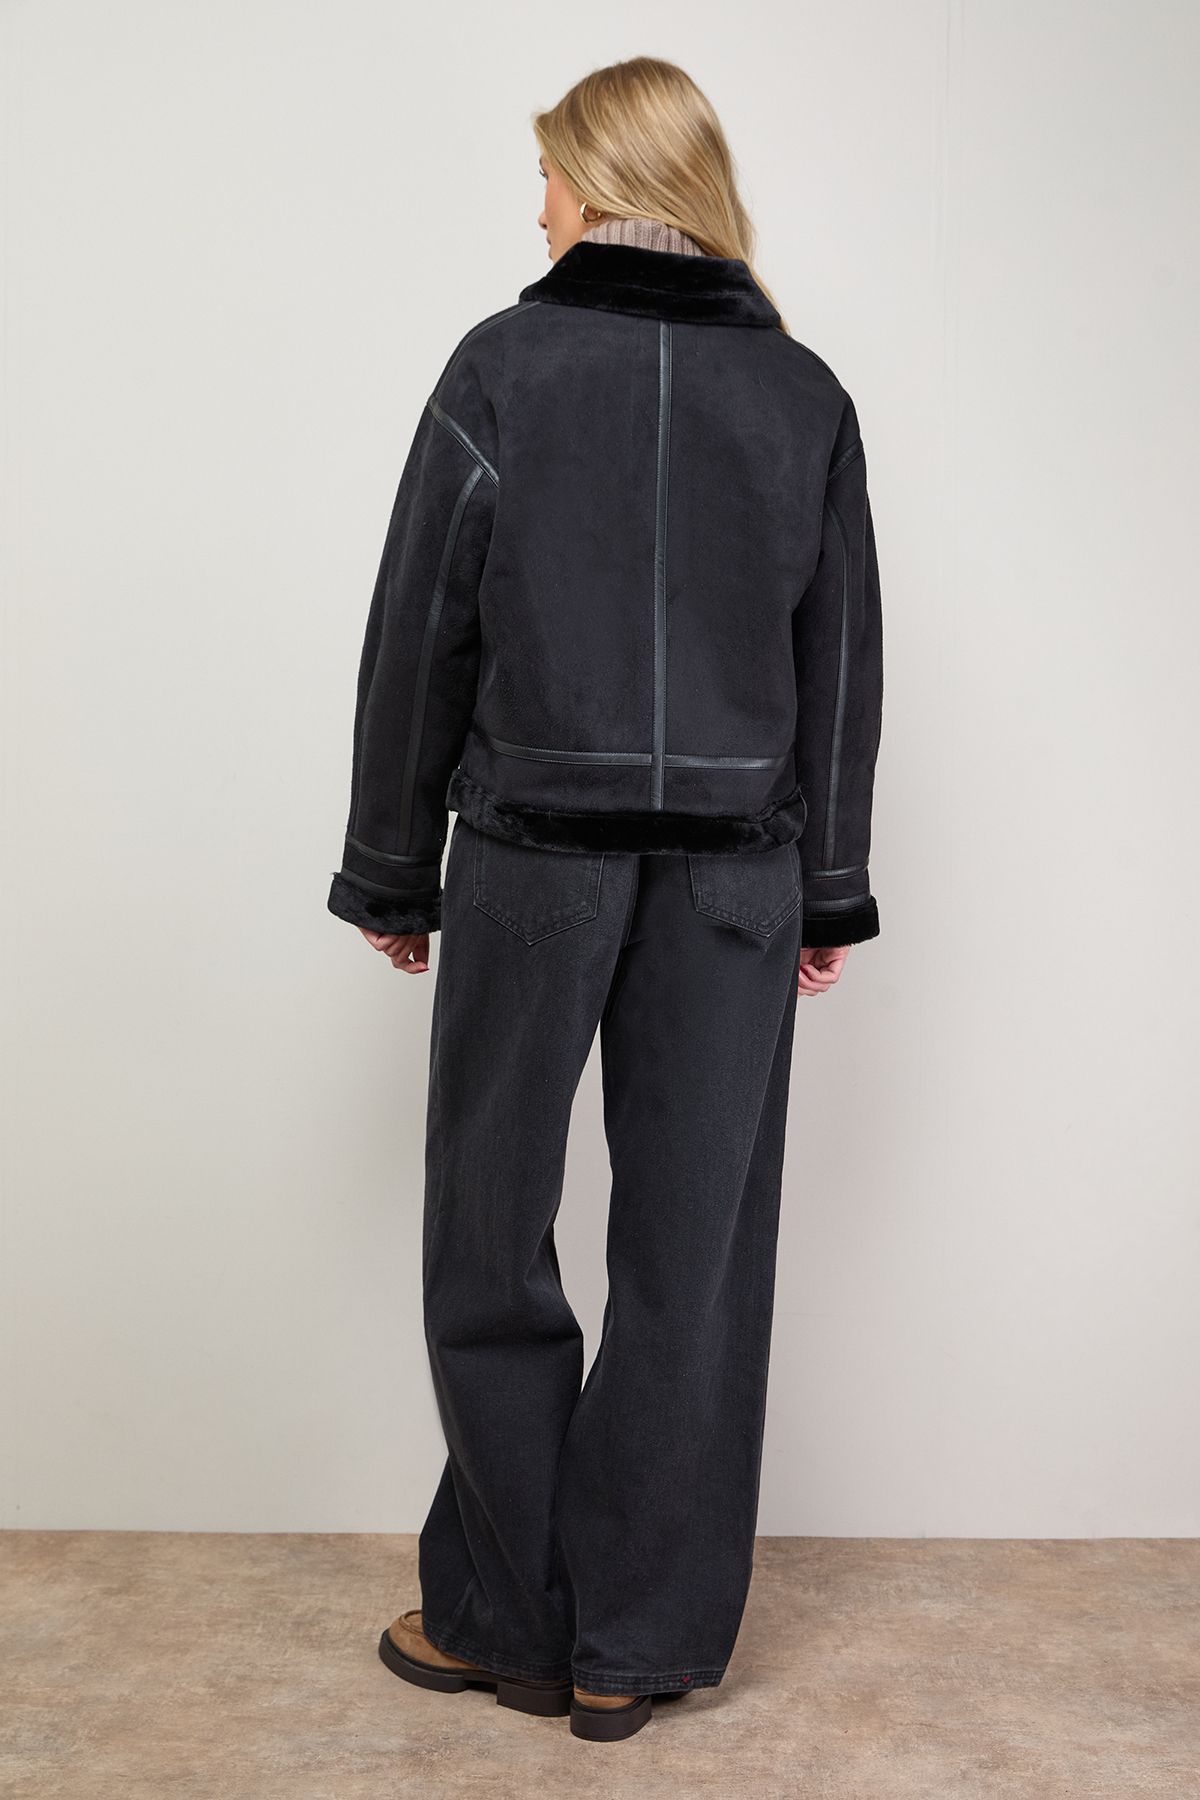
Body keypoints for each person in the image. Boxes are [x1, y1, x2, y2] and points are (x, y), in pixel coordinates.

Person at [326, 55, 884, 1744]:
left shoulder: (502, 369)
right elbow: (841, 662)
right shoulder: (799, 394)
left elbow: (419, 632)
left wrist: (391, 863)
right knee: (689, 1264)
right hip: (734, 879)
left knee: (489, 1236)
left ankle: (508, 1617)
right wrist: (826, 892)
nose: (539, 209)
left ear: (607, 181)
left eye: (552, 176)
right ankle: (628, 1640)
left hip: (531, 864)